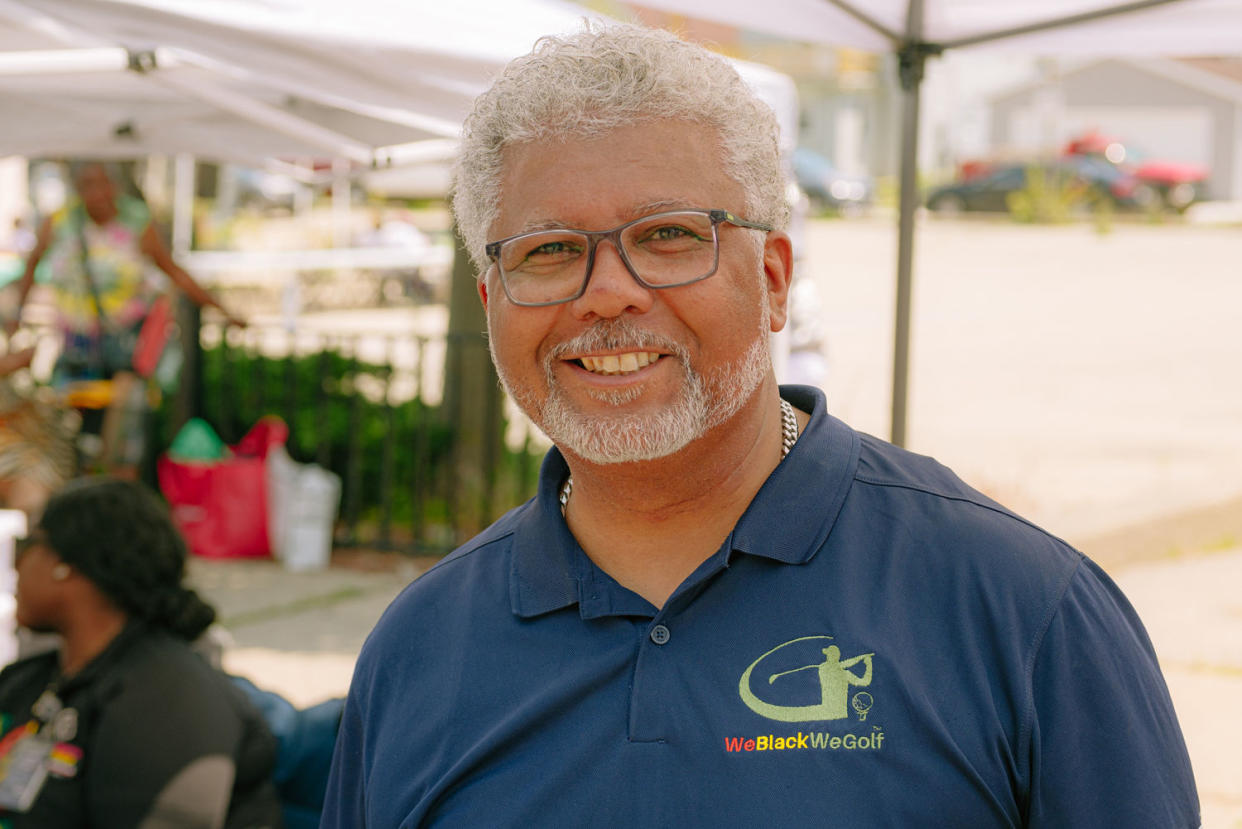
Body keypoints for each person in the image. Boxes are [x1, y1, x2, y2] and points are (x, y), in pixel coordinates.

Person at [321, 23, 1199, 828]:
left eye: (666, 235)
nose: (608, 292)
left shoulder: (1018, 606)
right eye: (548, 249)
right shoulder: (419, 651)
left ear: (775, 279)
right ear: (491, 301)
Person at [0, 477, 283, 828]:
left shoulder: (168, 700)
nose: (16, 564)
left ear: (66, 564)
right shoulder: (29, 680)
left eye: (28, 545)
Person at [10, 161, 244, 477]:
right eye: (88, 185)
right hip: (76, 347)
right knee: (75, 442)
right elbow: (32, 265)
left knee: (123, 438)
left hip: (125, 346)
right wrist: (17, 314)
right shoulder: (63, 221)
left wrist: (222, 308)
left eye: (102, 184)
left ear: (114, 187)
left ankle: (117, 499)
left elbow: (173, 271)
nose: (97, 194)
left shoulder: (135, 222)